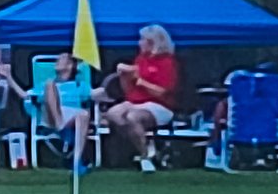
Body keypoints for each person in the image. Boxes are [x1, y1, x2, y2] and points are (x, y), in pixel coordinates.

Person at [105, 24, 179, 172]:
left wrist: (141, 81)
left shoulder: (168, 62)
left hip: (160, 105)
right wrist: (124, 77)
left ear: (153, 42)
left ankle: (145, 156)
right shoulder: (141, 59)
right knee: (113, 114)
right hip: (136, 101)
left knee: (132, 117)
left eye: (142, 40)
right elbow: (129, 91)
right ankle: (145, 146)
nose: (139, 43)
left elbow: (161, 92)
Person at [41, 50, 94, 173]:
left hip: (73, 117)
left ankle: (76, 162)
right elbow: (25, 96)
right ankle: (60, 126)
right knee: (49, 85)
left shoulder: (80, 84)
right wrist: (8, 77)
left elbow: (94, 95)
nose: (57, 61)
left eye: (61, 59)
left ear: (70, 65)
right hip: (53, 116)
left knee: (84, 114)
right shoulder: (49, 82)